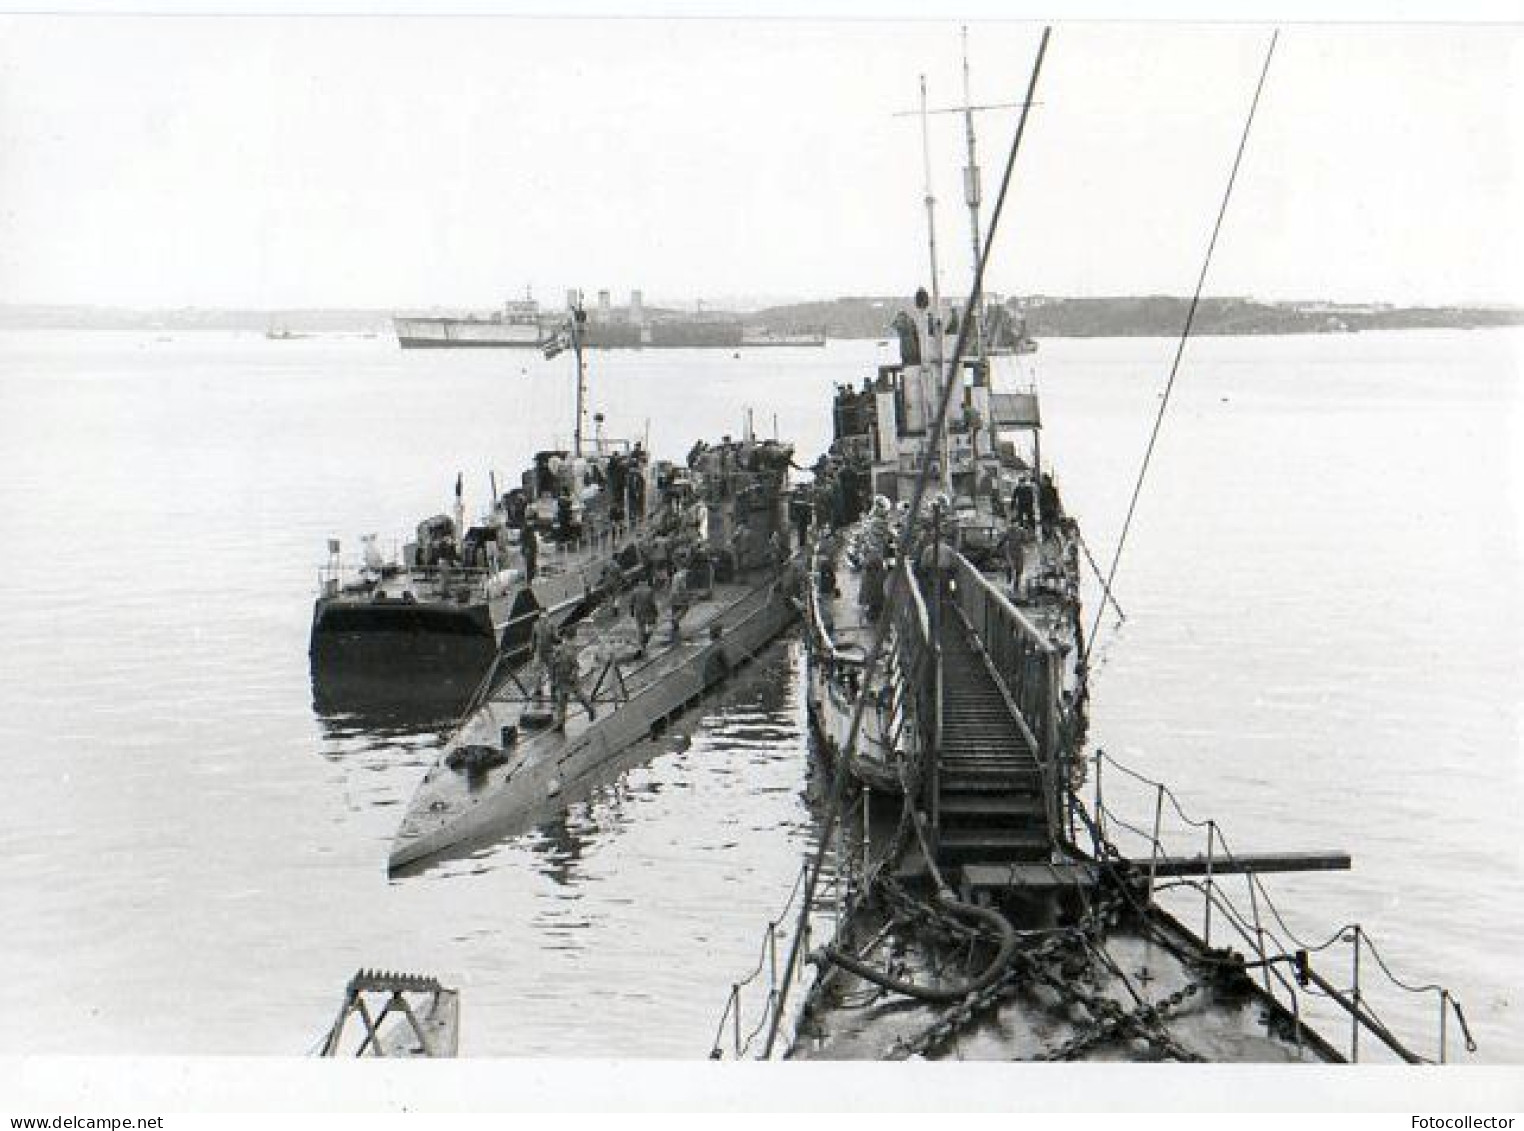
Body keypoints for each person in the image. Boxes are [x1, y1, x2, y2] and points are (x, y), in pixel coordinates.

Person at [550, 624, 597, 731]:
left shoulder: (570, 649)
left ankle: (591, 710)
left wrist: (572, 675)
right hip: (561, 678)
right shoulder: (561, 649)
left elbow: (575, 665)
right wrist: (554, 677)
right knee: (561, 702)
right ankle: (560, 723)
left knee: (580, 697)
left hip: (570, 679)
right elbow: (554, 664)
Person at [629, 575, 659, 656]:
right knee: (652, 626)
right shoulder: (649, 590)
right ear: (645, 582)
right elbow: (652, 603)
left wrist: (631, 612)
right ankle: (646, 638)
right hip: (649, 611)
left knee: (640, 629)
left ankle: (641, 647)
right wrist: (656, 611)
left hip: (638, 612)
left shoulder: (634, 591)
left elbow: (631, 603)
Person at [529, 613, 558, 697]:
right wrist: (560, 640)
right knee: (550, 670)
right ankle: (551, 689)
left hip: (542, 651)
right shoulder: (550, 624)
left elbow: (533, 639)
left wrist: (532, 650)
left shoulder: (536, 624)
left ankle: (540, 690)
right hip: (546, 651)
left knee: (541, 671)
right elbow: (554, 638)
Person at [668, 563, 691, 642]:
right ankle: (675, 620)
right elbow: (683, 587)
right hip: (679, 596)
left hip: (673, 596)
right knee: (684, 608)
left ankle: (674, 633)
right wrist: (687, 594)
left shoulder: (675, 575)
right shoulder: (682, 576)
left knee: (675, 611)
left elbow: (671, 586)